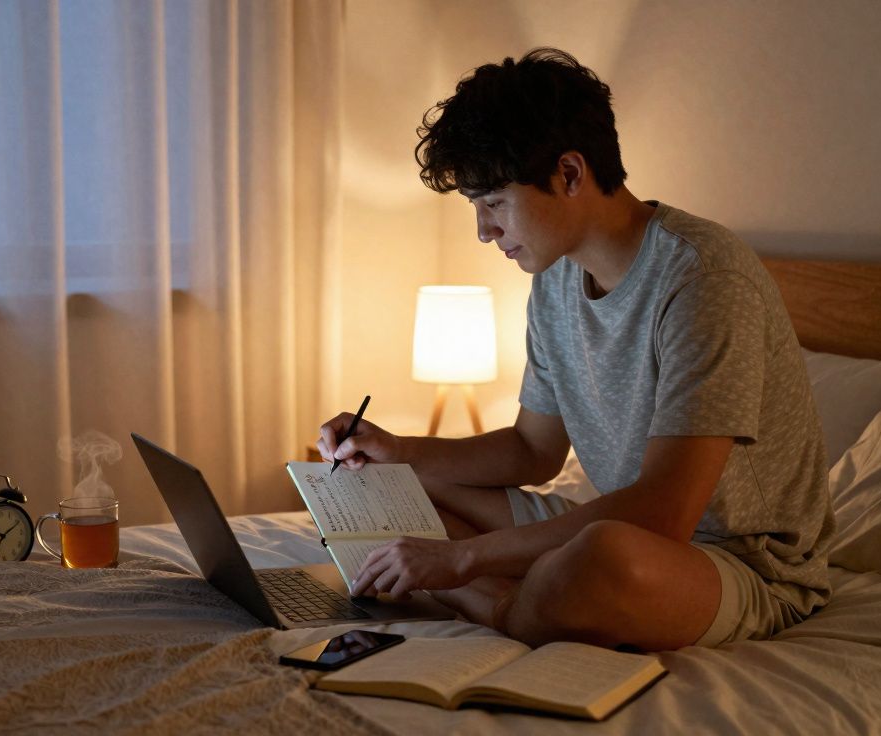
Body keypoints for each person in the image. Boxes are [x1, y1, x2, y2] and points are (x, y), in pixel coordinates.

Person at [317, 48, 833, 651]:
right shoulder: (556, 277)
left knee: (604, 555)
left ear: (568, 174)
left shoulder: (704, 279)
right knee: (398, 482)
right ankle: (515, 597)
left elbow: (666, 513)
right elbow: (532, 451)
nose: (484, 231)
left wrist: (462, 560)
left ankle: (498, 603)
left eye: (494, 203)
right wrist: (399, 450)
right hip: (622, 523)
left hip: (736, 565)